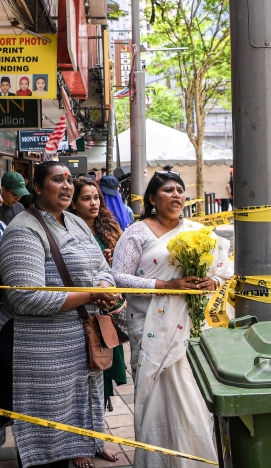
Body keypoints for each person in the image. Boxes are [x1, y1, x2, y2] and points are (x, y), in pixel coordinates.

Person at [0, 161, 121, 468]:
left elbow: (103, 268)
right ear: (36, 188)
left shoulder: (76, 222)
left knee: (73, 422)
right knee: (45, 437)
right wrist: (91, 295)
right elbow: (24, 297)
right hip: (39, 353)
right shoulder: (24, 230)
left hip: (78, 347)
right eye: (57, 180)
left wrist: (102, 283)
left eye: (69, 180)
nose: (67, 185)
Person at [110, 168, 231, 468]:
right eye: (167, 190)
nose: (176, 194)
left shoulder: (197, 231)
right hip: (149, 327)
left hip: (188, 328)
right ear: (152, 198)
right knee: (155, 400)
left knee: (191, 397)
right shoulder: (136, 233)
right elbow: (118, 278)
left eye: (179, 189)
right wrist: (165, 286)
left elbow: (222, 270)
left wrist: (212, 282)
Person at [69, 178, 127, 411]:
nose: (93, 203)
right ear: (73, 203)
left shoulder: (110, 229)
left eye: (96, 198)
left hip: (109, 311)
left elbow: (124, 272)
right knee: (89, 364)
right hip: (83, 310)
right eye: (86, 198)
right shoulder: (68, 232)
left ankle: (99, 424)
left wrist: (112, 265)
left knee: (104, 364)